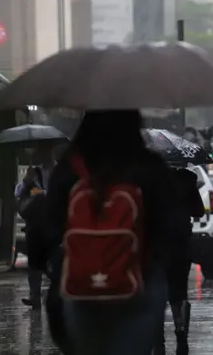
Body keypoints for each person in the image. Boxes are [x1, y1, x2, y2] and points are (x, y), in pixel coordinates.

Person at [43, 110, 185, 355]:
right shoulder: (150, 166)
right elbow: (174, 228)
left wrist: (50, 263)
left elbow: (47, 228)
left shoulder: (69, 167)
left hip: (80, 284)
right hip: (140, 280)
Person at [154, 167, 205, 355]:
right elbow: (198, 211)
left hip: (156, 245)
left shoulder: (150, 177)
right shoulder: (186, 178)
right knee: (179, 291)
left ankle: (157, 341)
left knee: (156, 291)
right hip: (180, 245)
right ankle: (181, 334)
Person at [15, 166, 46, 308]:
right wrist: (27, 181)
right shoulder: (26, 184)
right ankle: (35, 296)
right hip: (32, 226)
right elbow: (18, 194)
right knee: (34, 264)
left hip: (49, 225)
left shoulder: (51, 174)